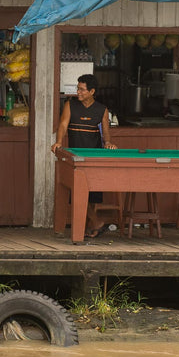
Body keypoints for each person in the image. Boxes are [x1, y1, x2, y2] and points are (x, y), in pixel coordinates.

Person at [51, 74, 117, 238]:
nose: (78, 92)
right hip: (75, 157)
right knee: (77, 192)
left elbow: (106, 135)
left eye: (82, 89)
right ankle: (96, 222)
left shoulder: (102, 110)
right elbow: (63, 124)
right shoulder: (70, 105)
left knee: (92, 195)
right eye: (77, 88)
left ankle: (91, 227)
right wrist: (58, 142)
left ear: (92, 91)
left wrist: (108, 143)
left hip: (94, 157)